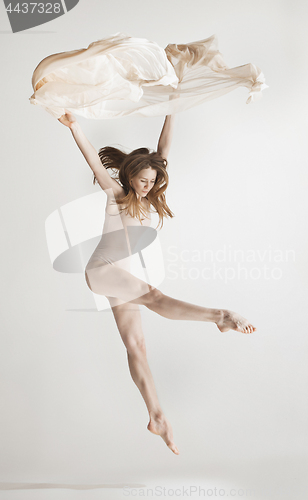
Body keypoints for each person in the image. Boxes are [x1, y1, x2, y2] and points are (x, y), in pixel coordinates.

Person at [58, 110, 256, 455]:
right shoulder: (116, 195)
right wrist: (75, 127)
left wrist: (172, 109)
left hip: (118, 278)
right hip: (103, 271)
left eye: (153, 180)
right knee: (153, 294)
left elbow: (163, 149)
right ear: (131, 176)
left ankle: (157, 416)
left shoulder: (149, 197)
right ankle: (220, 316)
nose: (148, 185)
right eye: (143, 180)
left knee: (137, 346)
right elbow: (92, 159)